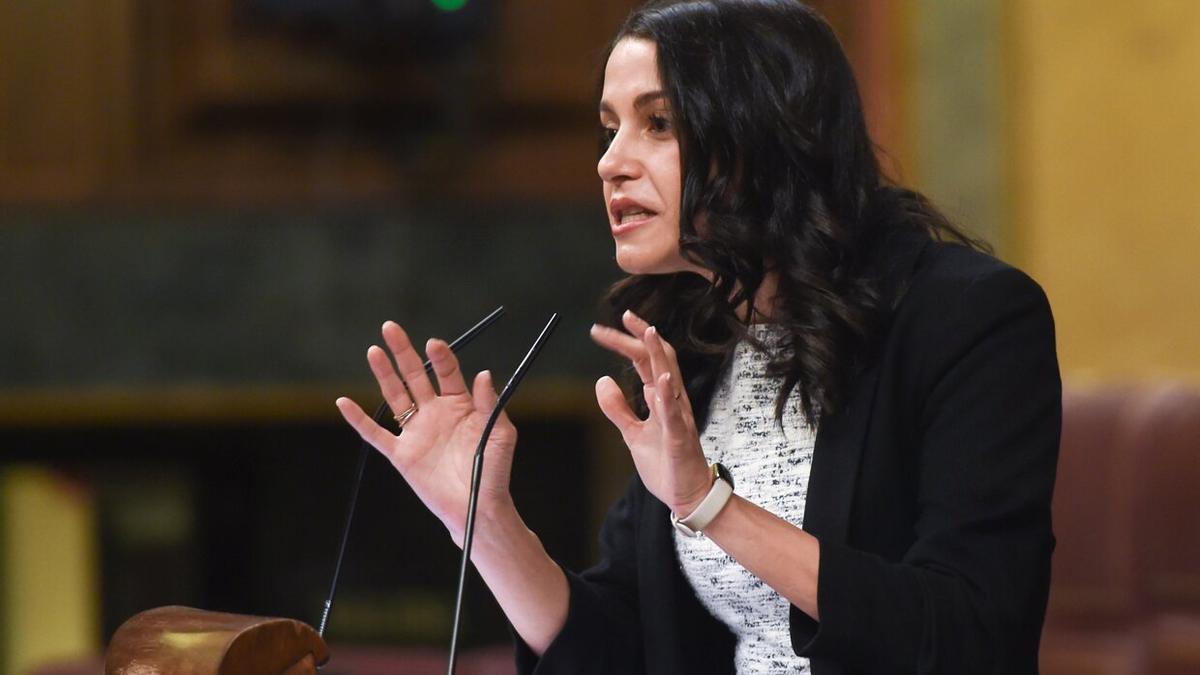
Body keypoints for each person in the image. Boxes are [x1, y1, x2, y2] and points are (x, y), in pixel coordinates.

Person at [335, 1, 1061, 673]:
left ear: (769, 135)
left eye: (658, 123)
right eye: (609, 126)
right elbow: (621, 644)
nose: (610, 161)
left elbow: (974, 632)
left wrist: (709, 503)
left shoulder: (969, 319)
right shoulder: (696, 340)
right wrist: (485, 522)